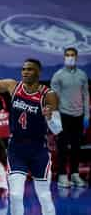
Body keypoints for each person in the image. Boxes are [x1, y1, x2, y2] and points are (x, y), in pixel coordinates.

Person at [0, 52, 62, 215]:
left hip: (38, 149)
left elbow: (57, 129)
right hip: (17, 148)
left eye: (30, 69)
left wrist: (50, 119)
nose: (25, 72)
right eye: (23, 69)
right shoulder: (13, 86)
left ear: (38, 72)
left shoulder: (48, 95)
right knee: (15, 195)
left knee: (44, 195)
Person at [51, 47, 89, 188]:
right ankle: (62, 175)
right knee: (62, 147)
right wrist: (55, 118)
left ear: (76, 57)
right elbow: (53, 98)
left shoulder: (82, 75)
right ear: (64, 57)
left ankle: (74, 174)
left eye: (72, 55)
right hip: (63, 116)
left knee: (76, 147)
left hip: (78, 116)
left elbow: (86, 96)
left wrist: (87, 115)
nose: (70, 57)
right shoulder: (58, 76)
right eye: (67, 55)